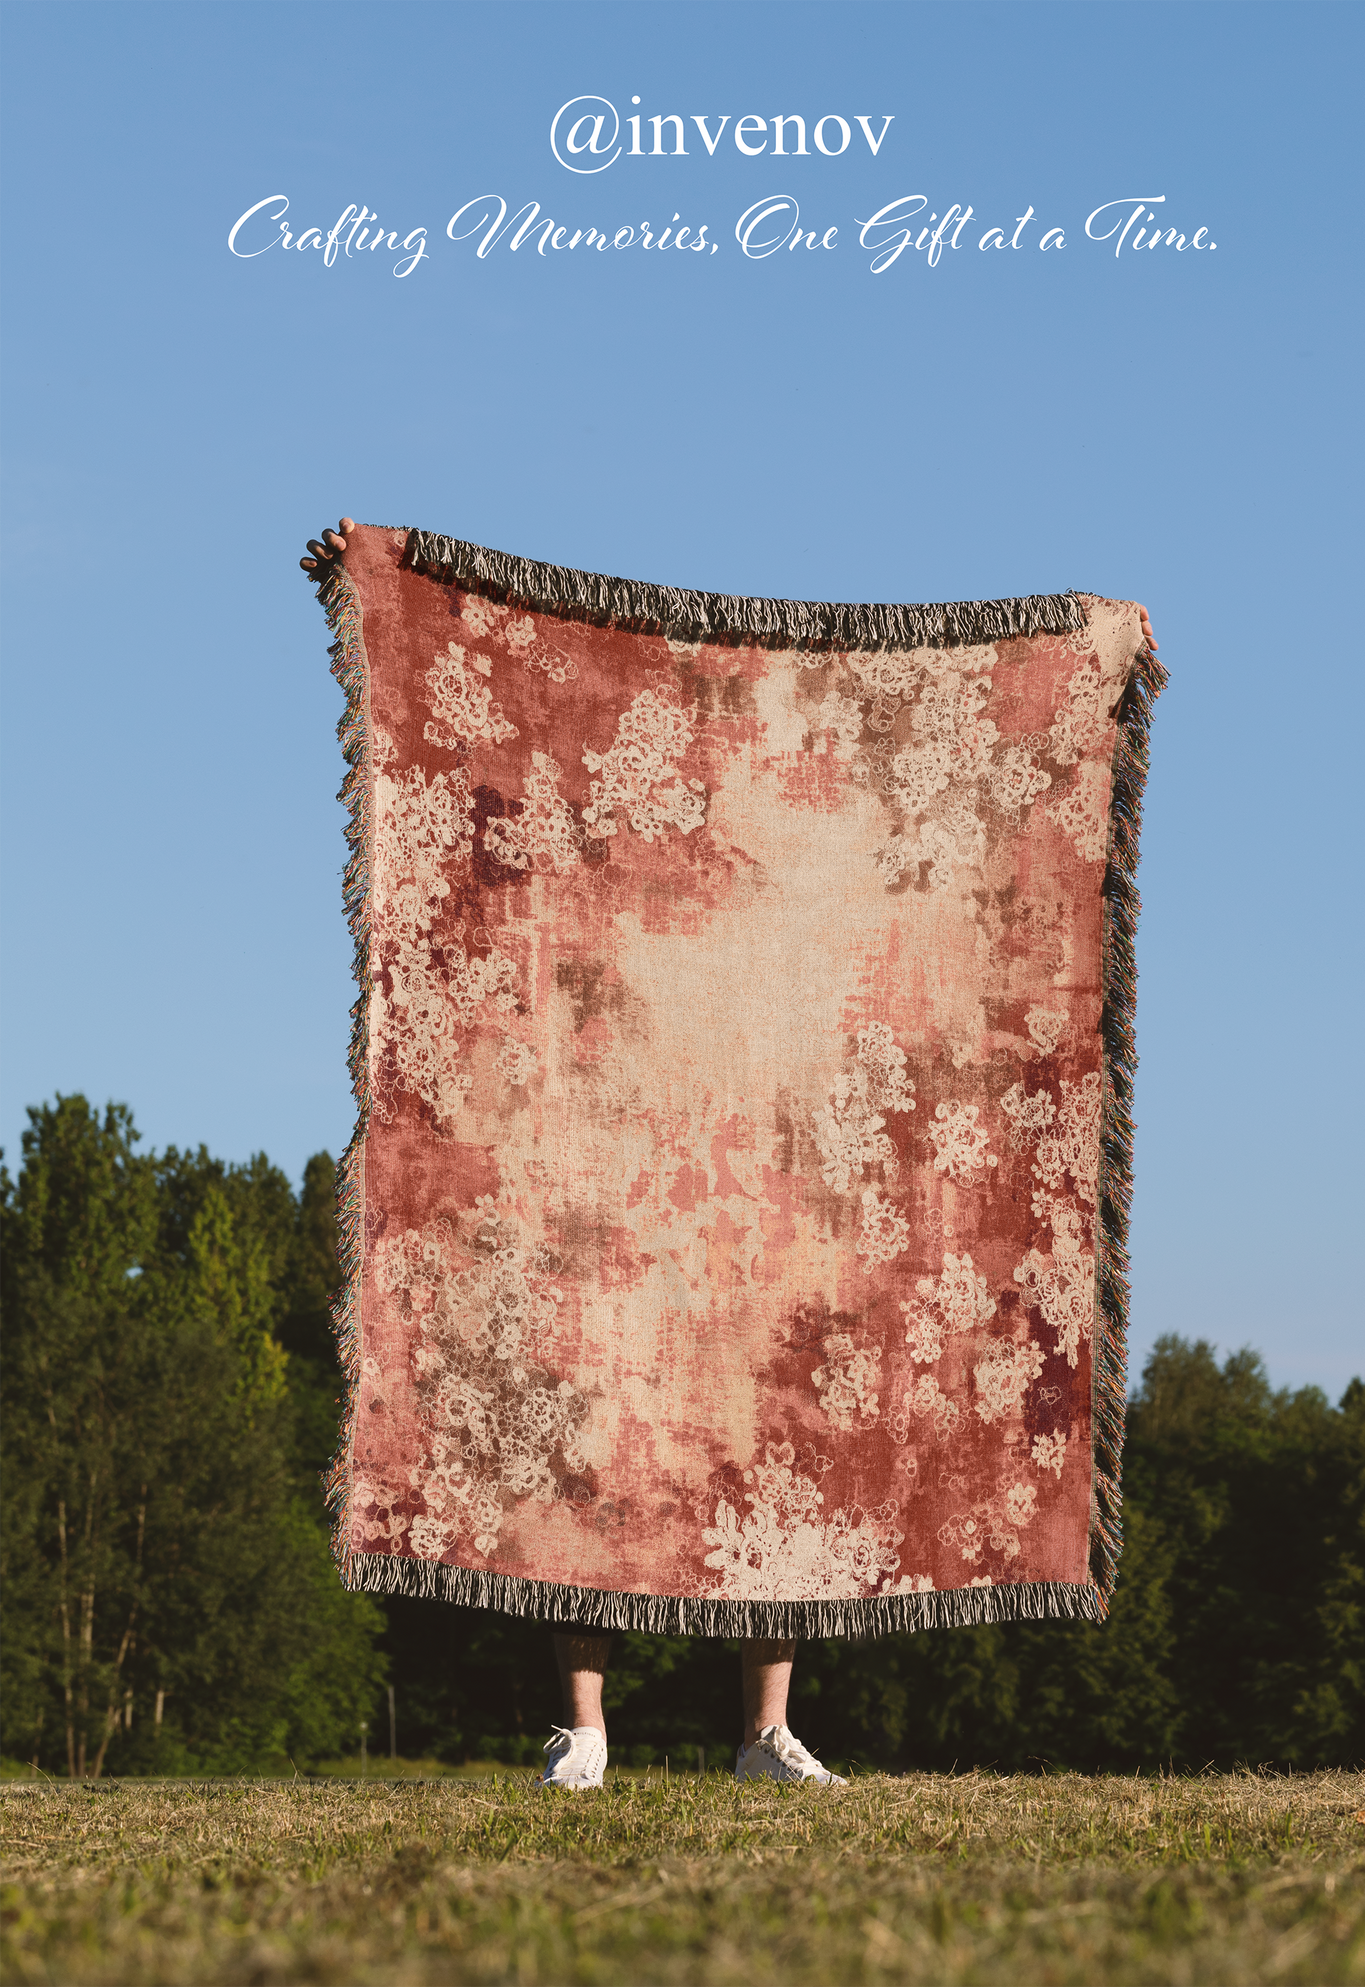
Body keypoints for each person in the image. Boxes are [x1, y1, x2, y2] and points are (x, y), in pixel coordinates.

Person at [301, 518, 1159, 1790]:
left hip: (779, 1154)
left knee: (781, 1438)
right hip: (617, 1147)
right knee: (581, 1427)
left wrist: (1096, 649)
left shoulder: (792, 853)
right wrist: (374, 562)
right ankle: (584, 1729)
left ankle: (764, 1733)